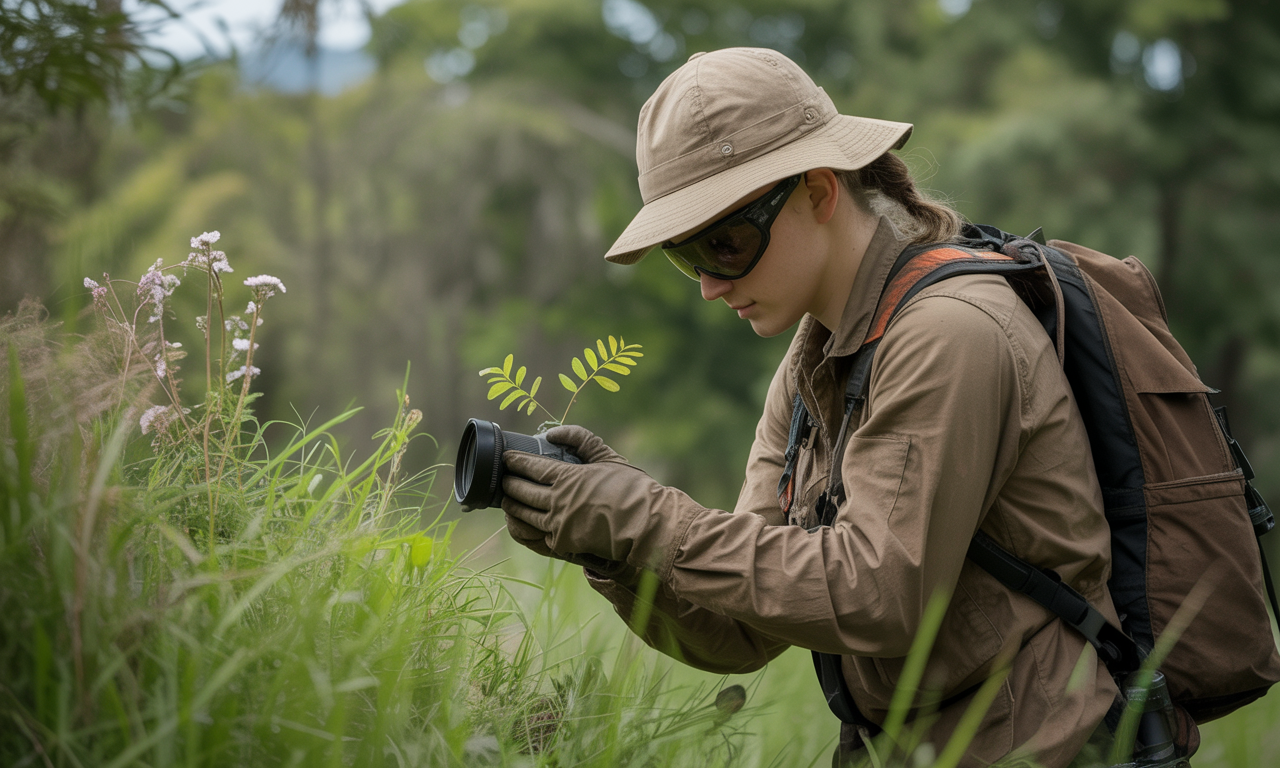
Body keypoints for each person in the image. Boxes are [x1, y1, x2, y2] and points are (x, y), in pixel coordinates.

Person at [499, 47, 1118, 768]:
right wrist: (611, 544)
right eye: (685, 254)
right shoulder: (811, 364)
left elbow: (879, 594)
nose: (706, 284)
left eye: (724, 243)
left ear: (821, 191)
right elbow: (741, 633)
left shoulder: (950, 334)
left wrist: (646, 514)